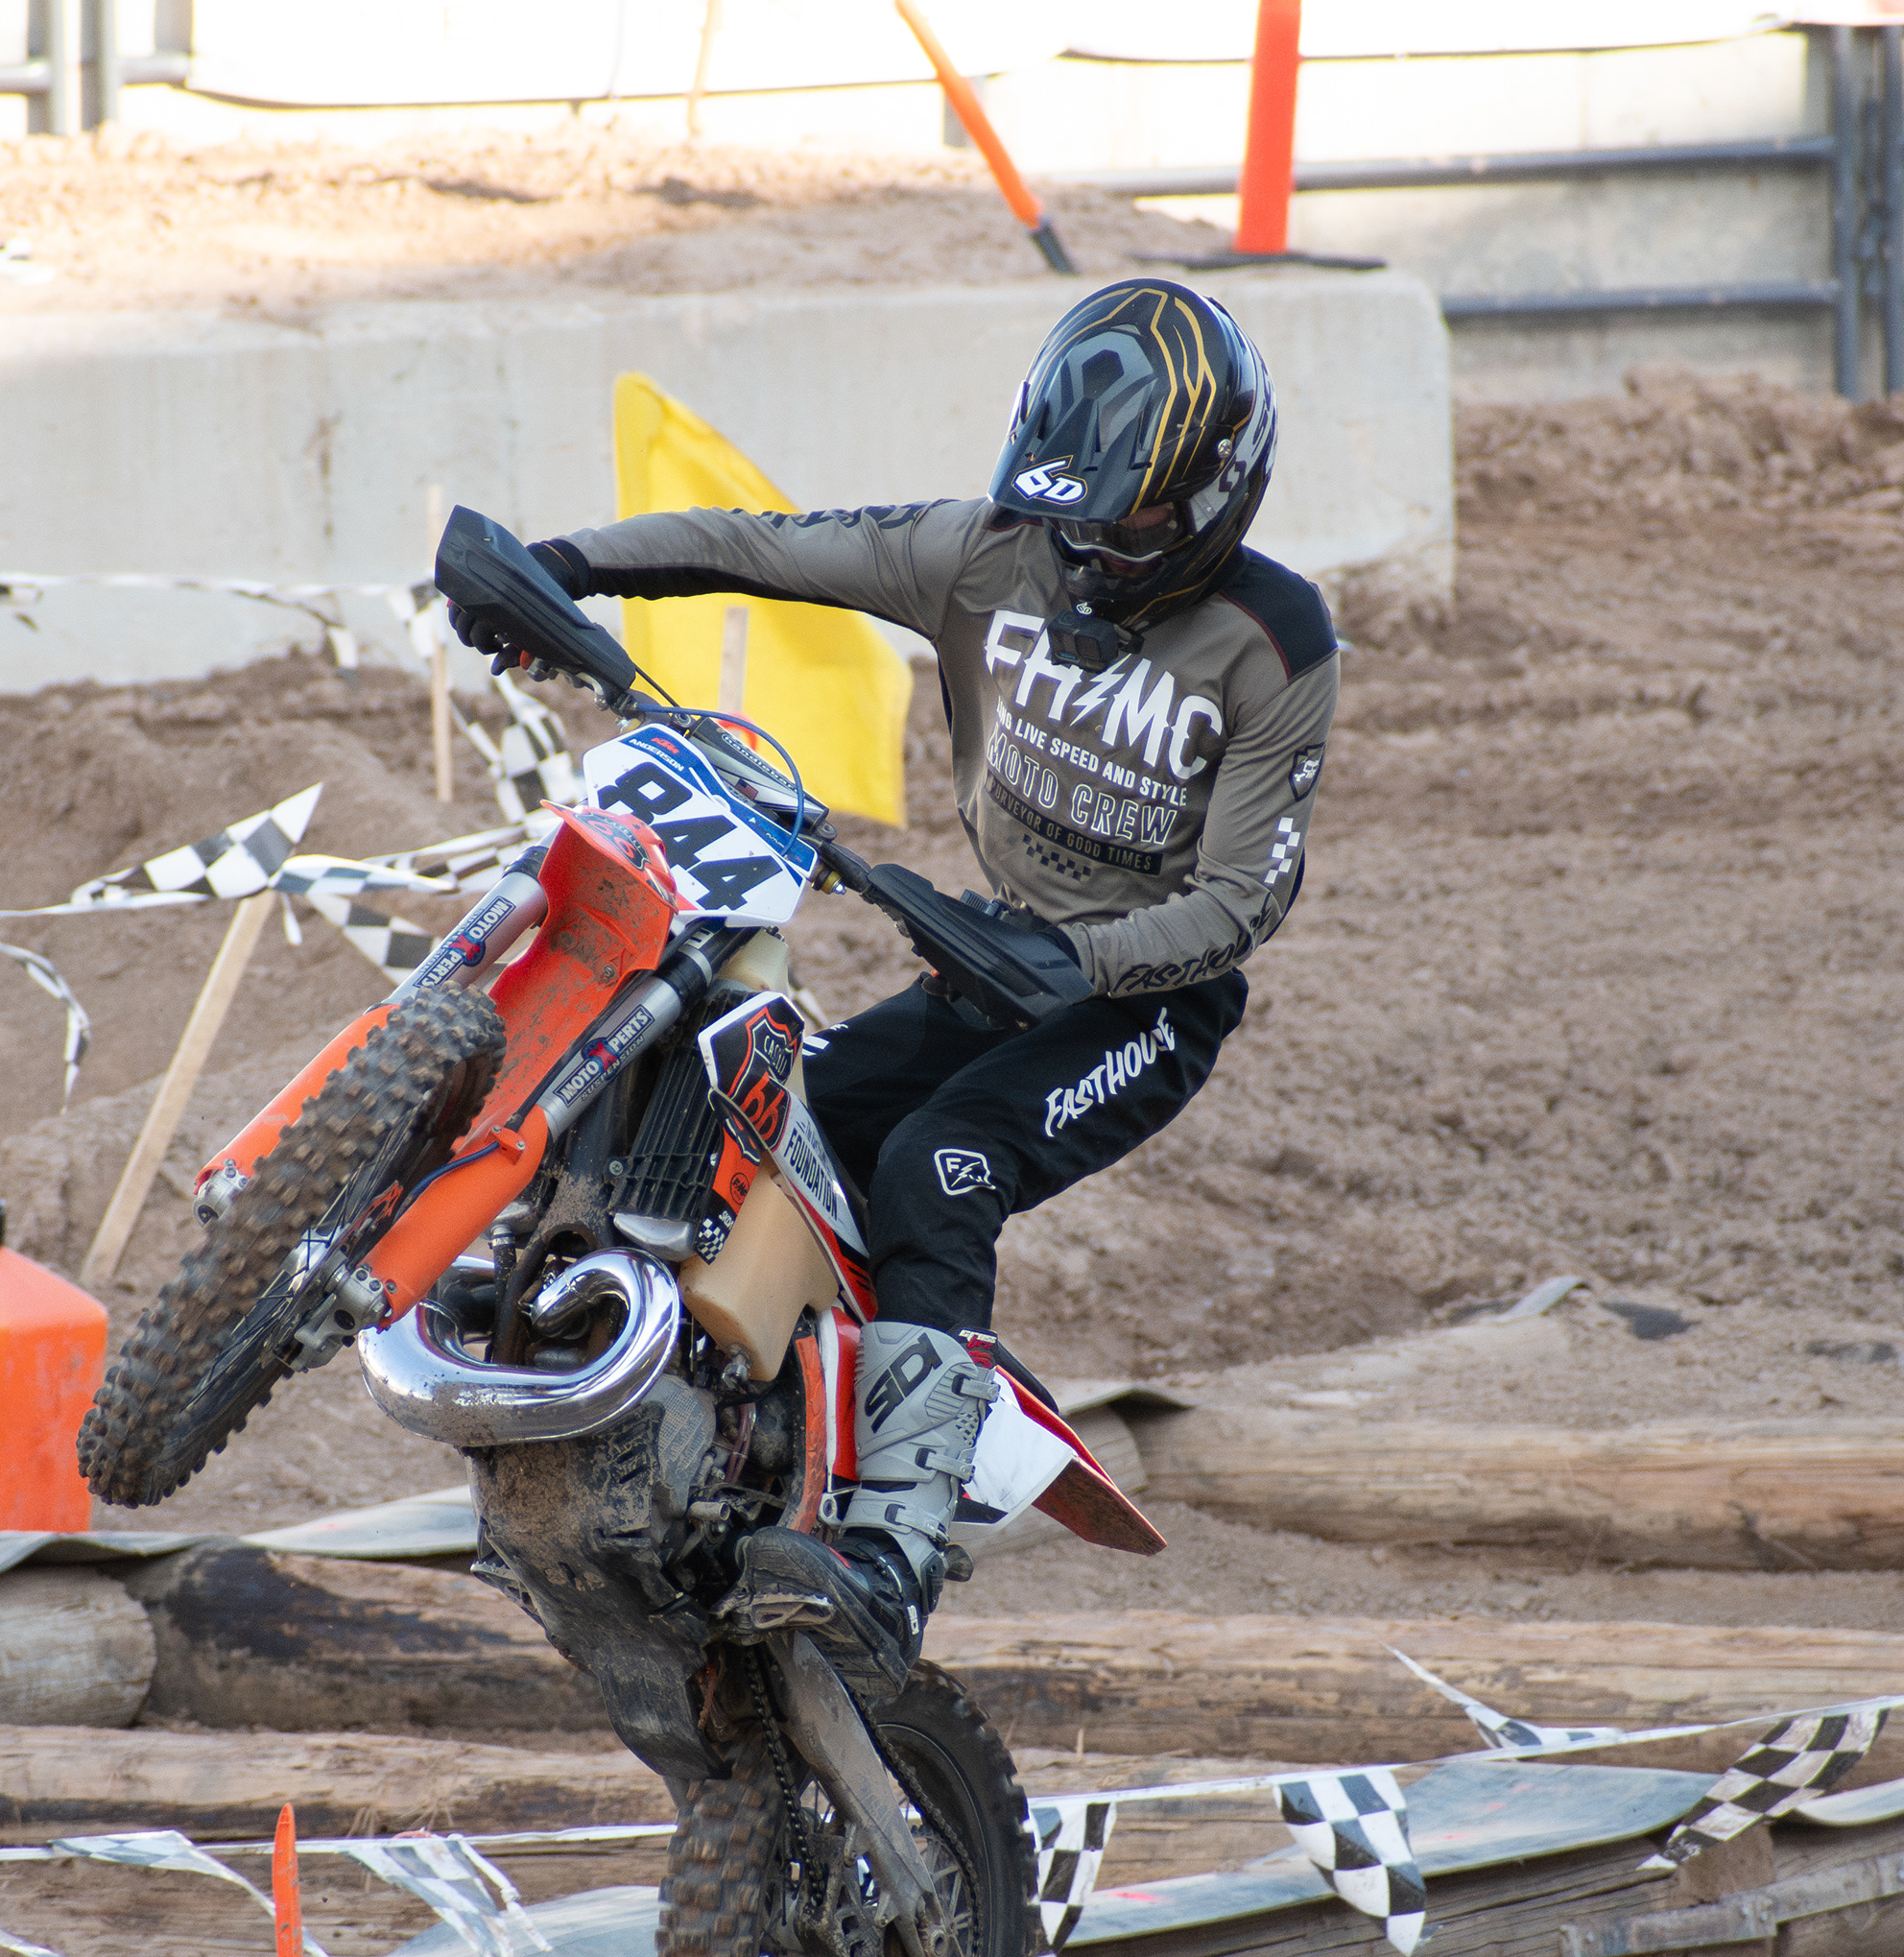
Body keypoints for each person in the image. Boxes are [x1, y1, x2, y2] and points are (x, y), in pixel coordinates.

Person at [452, 276, 1339, 1698]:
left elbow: (1244, 903)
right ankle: (687, 1452)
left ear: (1218, 495)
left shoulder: (1275, 641)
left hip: (1146, 1000)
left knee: (943, 1165)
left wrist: (1080, 961)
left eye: (1135, 525)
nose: (1095, 555)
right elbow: (756, 545)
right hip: (1000, 960)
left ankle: (897, 1551)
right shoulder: (987, 554)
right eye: (1076, 521)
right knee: (770, 1130)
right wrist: (563, 566)